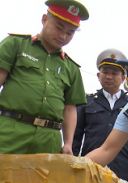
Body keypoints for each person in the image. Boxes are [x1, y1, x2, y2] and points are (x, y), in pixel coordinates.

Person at [0, 0, 89, 154]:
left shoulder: (71, 68)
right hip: (11, 130)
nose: (63, 36)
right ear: (44, 19)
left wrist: (68, 143)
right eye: (59, 28)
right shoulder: (16, 44)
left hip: (49, 139)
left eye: (70, 33)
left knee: (43, 179)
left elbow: (69, 108)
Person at [72, 49, 128, 183]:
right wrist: (70, 160)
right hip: (91, 167)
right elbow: (75, 135)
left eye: (114, 73)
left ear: (123, 78)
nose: (109, 76)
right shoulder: (86, 102)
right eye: (105, 72)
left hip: (123, 168)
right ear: (98, 75)